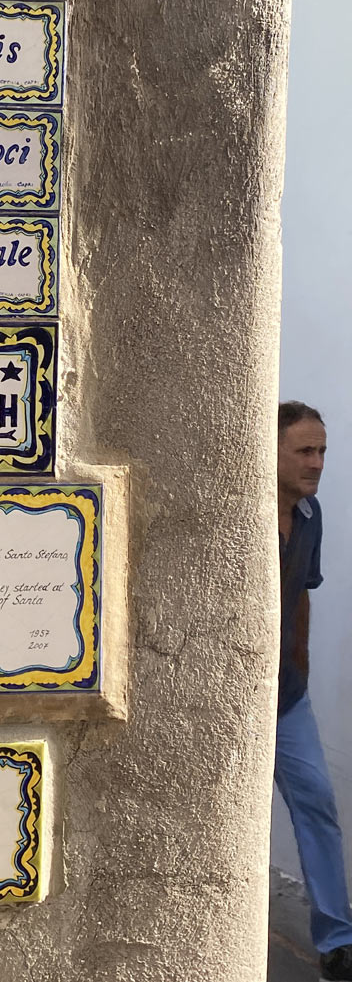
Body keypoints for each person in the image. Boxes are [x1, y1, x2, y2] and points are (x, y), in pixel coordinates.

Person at [276, 401, 352, 979]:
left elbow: (303, 589)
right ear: (271, 452)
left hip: (288, 697)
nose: (317, 462)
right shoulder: (240, 516)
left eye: (322, 450)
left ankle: (337, 938)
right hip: (230, 698)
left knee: (318, 805)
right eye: (305, 450)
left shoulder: (311, 514)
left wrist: (300, 656)